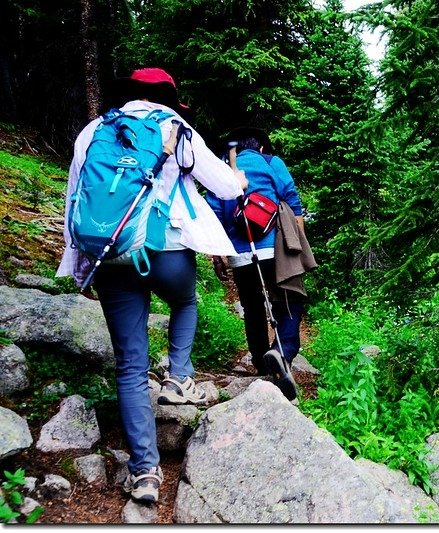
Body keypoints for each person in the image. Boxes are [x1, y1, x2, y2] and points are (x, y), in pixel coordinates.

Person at [56, 67, 249, 504]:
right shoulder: (174, 127)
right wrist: (238, 181)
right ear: (168, 98)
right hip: (164, 250)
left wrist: (81, 265)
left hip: (108, 253)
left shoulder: (93, 131)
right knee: (185, 301)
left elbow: (76, 196)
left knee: (129, 365)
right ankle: (180, 378)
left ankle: (144, 472)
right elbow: (222, 183)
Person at [205, 127, 314, 403]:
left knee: (252, 306)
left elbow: (214, 213)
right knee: (289, 298)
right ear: (261, 148)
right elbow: (292, 200)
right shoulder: (270, 163)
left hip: (240, 253)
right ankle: (282, 350)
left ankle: (261, 361)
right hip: (274, 247)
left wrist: (218, 256)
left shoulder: (222, 169)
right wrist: (298, 245)